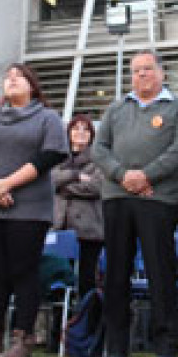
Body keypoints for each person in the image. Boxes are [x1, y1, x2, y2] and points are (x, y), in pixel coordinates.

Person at [91, 49, 178, 357]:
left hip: (157, 199)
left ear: (161, 72)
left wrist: (146, 176)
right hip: (117, 197)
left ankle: (165, 347)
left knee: (160, 271)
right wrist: (123, 176)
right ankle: (116, 347)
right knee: (116, 272)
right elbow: (99, 148)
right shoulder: (116, 108)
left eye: (148, 68)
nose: (142, 75)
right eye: (136, 70)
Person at [0, 64, 68, 357]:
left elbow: (51, 155)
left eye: (18, 76)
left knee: (24, 272)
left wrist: (6, 184)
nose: (11, 80)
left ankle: (22, 340)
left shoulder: (47, 118)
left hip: (29, 209)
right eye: (7, 77)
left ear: (32, 86)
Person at [52, 113, 104, 299]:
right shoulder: (58, 157)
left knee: (86, 279)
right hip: (60, 226)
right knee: (59, 279)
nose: (80, 132)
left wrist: (63, 188)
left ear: (92, 135)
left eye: (86, 129)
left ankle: (86, 315)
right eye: (76, 128)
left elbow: (97, 186)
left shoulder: (100, 158)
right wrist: (74, 176)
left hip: (89, 229)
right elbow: (50, 179)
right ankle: (60, 316)